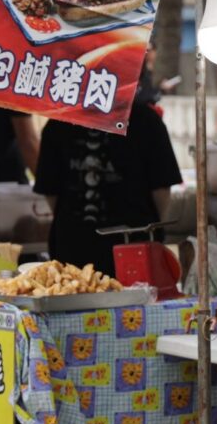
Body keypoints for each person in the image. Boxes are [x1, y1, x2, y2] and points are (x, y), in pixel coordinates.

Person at [33, 72, 181, 273]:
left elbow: (51, 193)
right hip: (134, 246)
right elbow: (162, 190)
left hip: (74, 248)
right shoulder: (146, 120)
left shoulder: (58, 123)